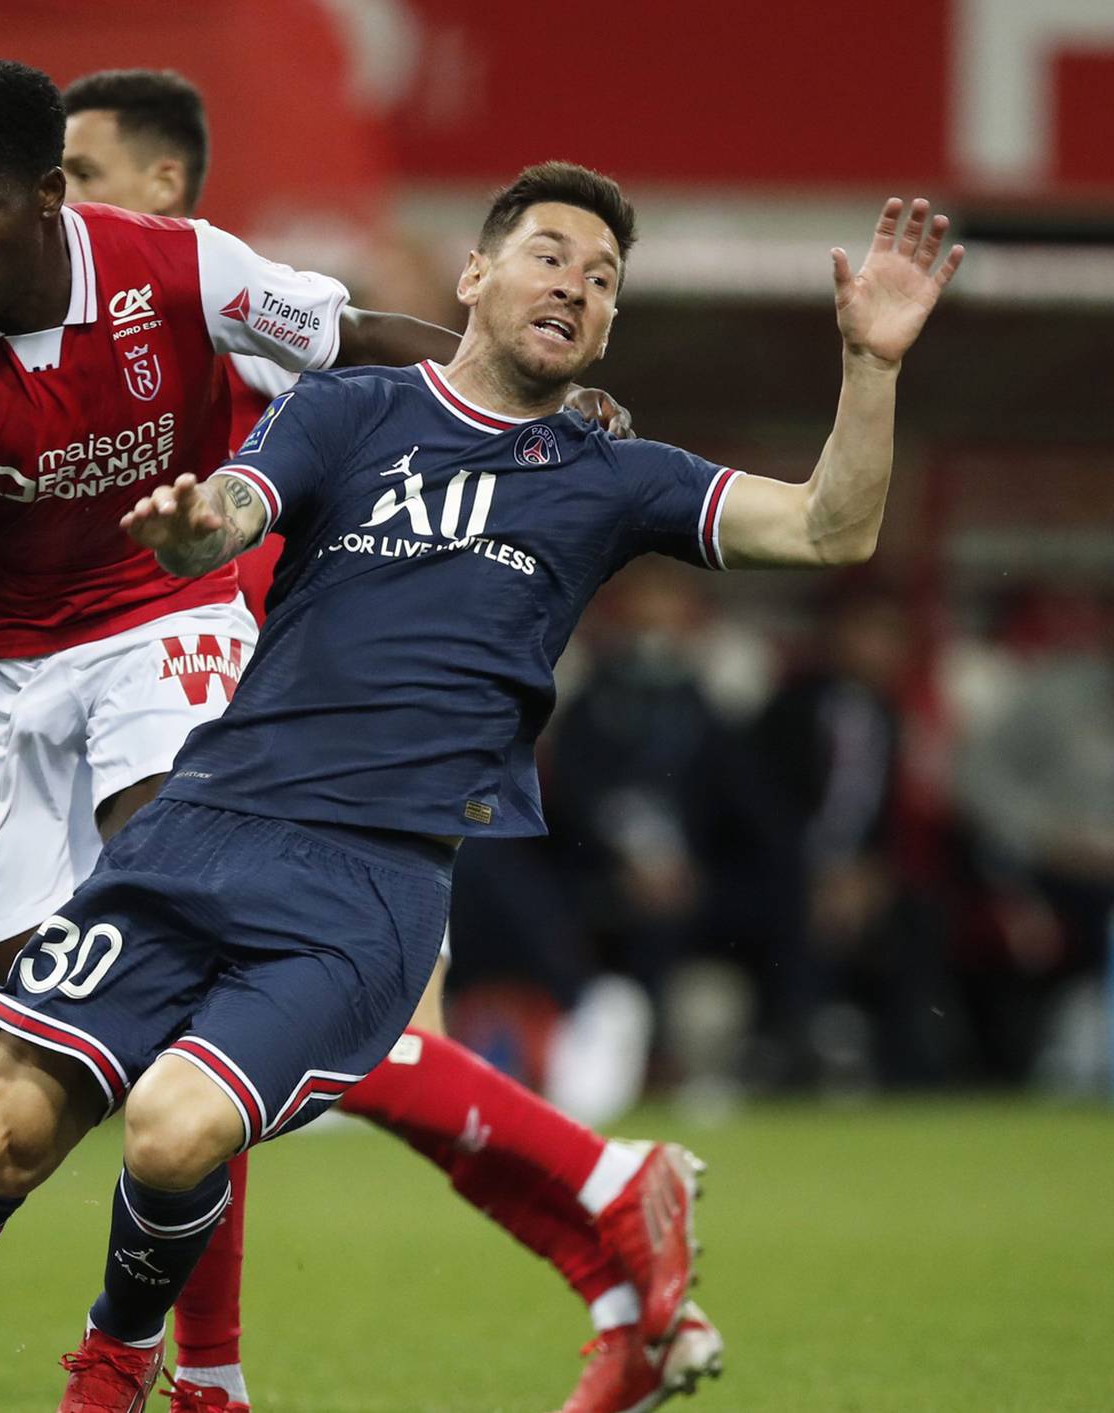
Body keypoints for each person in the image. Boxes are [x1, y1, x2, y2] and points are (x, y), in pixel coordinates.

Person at [0, 155, 962, 1413]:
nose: (575, 284)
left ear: (612, 326)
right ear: (476, 275)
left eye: (604, 279)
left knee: (174, 1127)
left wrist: (873, 367)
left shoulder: (617, 479)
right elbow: (237, 507)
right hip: (199, 826)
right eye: (550, 255)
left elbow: (831, 528)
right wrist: (195, 527)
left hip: (369, 879)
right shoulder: (351, 411)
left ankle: (118, 1365)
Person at [0, 52, 646, 1413]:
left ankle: (183, 1360)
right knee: (47, 1083)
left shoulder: (183, 270)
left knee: (198, 961)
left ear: (75, 196)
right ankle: (202, 1366)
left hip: (169, 618)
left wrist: (523, 395)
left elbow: (367, 337)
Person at [61, 68, 702, 1413]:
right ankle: (601, 1264)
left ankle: (602, 1195)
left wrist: (547, 410)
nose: (56, 206)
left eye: (80, 176)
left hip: (272, 703)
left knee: (317, 1051)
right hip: (258, 698)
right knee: (256, 1065)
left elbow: (392, 341)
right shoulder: (60, 317)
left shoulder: (211, 290)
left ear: (164, 187)